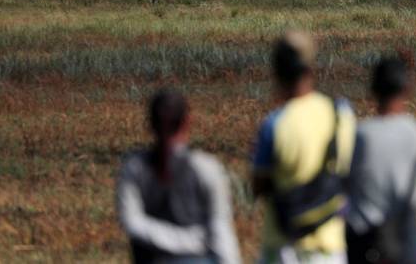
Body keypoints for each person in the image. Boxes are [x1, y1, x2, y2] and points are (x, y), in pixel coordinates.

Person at [253, 32, 356, 264]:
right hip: (329, 246)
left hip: (283, 244)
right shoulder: (342, 114)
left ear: (276, 71)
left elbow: (258, 184)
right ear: (311, 67)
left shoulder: (275, 124)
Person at [116, 89, 241, 264]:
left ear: (150, 124)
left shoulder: (134, 167)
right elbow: (220, 229)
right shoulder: (206, 167)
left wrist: (168, 241)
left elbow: (131, 222)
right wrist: (193, 240)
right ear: (188, 122)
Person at [346, 56, 416, 264]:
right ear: (407, 88)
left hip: (365, 239)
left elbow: (345, 184)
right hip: (406, 236)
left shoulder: (360, 135)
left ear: (373, 89)